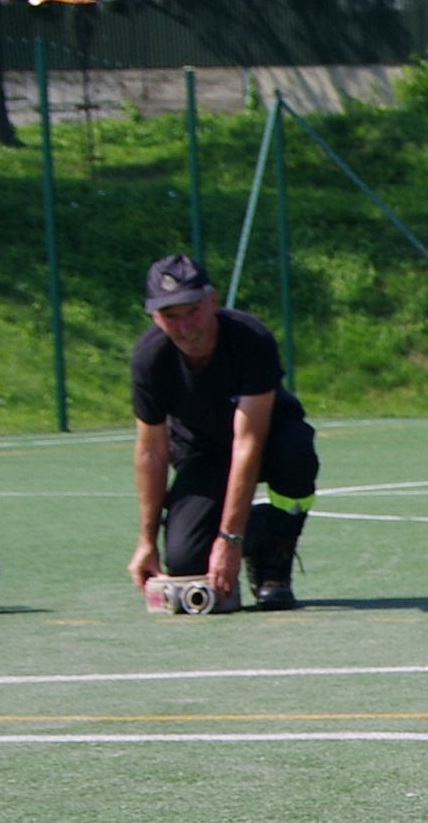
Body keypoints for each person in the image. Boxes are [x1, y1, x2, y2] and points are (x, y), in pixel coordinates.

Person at [127, 254, 319, 612]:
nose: (186, 327)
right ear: (154, 317)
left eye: (193, 310)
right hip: (202, 453)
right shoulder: (149, 359)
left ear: (212, 301)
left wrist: (230, 538)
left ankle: (276, 555)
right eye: (170, 316)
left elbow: (248, 442)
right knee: (185, 561)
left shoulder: (251, 340)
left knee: (296, 452)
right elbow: (151, 451)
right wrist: (146, 542)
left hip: (268, 442)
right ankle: (259, 533)